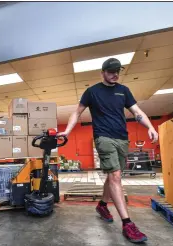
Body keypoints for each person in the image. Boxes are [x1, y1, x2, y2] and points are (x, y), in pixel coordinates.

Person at [58, 58, 158, 243]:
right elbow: (77, 112)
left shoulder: (123, 90)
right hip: (103, 137)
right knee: (116, 177)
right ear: (102, 72)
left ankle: (102, 205)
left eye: (117, 71)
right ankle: (128, 224)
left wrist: (150, 126)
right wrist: (68, 131)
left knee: (113, 176)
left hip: (122, 138)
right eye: (111, 71)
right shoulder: (92, 92)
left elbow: (137, 111)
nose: (115, 74)